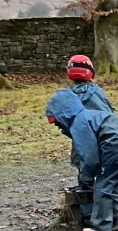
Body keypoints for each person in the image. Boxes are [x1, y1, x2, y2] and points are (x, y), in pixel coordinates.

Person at [46, 55, 112, 222]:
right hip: (104, 140)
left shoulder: (66, 96)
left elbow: (64, 122)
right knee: (108, 177)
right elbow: (109, 115)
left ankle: (87, 213)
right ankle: (111, 214)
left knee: (84, 175)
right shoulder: (98, 93)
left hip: (81, 143)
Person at [75, 106, 118, 231]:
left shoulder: (80, 120)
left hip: (113, 145)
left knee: (104, 184)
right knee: (114, 180)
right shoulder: (97, 107)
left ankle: (101, 227)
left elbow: (90, 156)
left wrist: (86, 177)